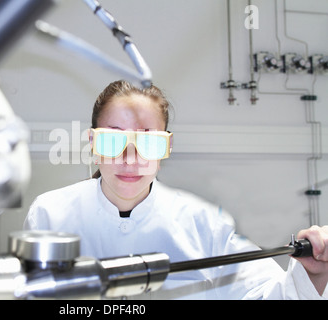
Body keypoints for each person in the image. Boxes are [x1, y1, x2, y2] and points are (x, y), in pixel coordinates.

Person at [24, 80, 328, 299]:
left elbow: (268, 295)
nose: (130, 158)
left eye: (148, 142)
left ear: (165, 147)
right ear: (92, 142)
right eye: (112, 140)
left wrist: (312, 274)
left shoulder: (203, 222)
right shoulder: (51, 213)